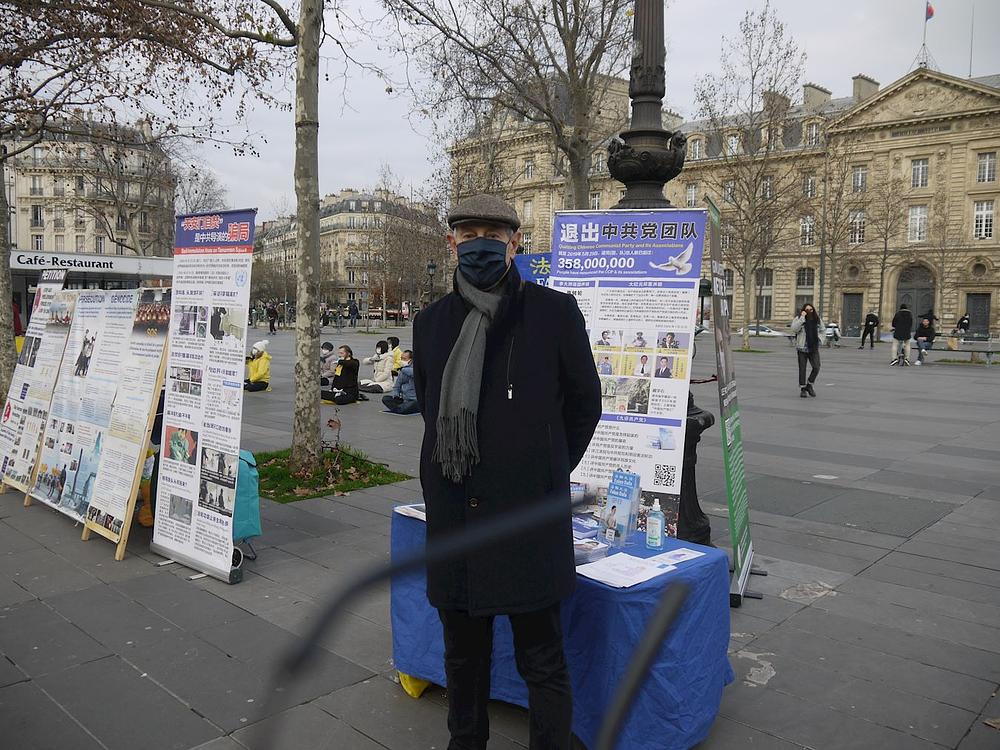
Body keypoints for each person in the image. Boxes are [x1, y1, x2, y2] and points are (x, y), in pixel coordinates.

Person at [412, 193, 601, 750]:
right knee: (463, 657)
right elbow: (429, 406)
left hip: (528, 518)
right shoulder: (430, 323)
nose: (480, 245)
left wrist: (545, 465)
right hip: (457, 516)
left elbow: (584, 404)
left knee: (542, 658)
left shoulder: (554, 313)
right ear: (451, 241)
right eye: (469, 235)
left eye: (493, 236)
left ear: (514, 243)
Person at [790, 303, 824, 397]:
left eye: (811, 310)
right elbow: (794, 329)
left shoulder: (817, 319)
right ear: (803, 311)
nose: (809, 311)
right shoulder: (798, 319)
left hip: (813, 347)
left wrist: (820, 339)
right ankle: (803, 389)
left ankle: (809, 384)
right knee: (802, 369)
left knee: (816, 367)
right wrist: (802, 318)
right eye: (807, 310)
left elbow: (823, 330)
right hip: (802, 348)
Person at [382, 350, 419, 414]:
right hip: (404, 399)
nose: (402, 361)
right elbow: (397, 386)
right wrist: (396, 395)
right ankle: (400, 408)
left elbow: (414, 373)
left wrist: (403, 369)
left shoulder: (416, 369)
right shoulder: (402, 371)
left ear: (411, 360)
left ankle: (400, 408)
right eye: (401, 358)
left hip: (414, 400)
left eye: (404, 359)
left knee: (413, 404)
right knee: (385, 398)